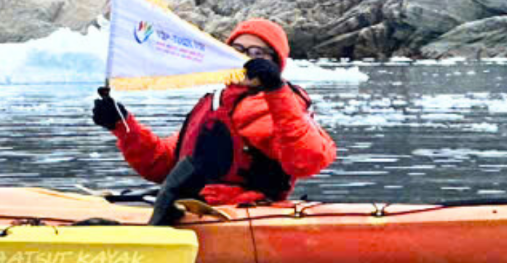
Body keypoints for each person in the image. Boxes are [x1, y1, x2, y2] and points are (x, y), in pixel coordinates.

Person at [93, 17, 334, 213]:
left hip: (243, 213)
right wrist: (123, 126)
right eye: (237, 50)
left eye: (257, 53)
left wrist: (275, 90)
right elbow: (163, 167)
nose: (245, 59)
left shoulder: (270, 105)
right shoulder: (217, 102)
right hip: (198, 206)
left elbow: (306, 160)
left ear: (274, 63)